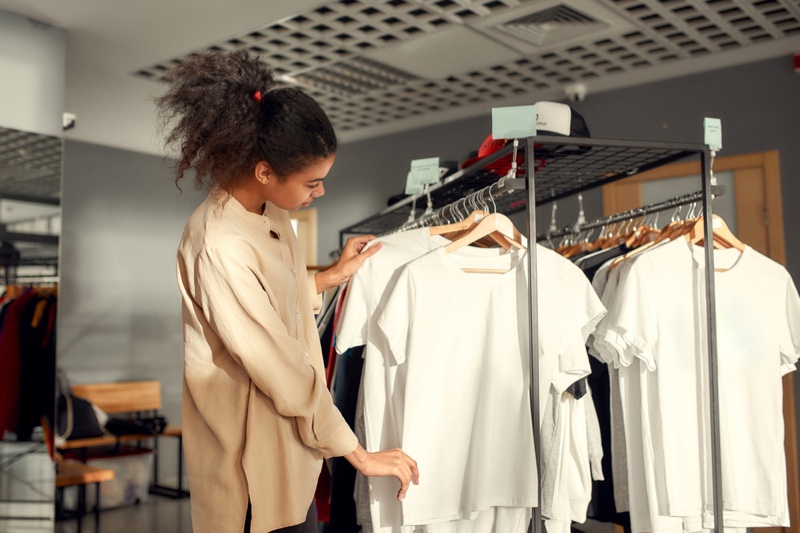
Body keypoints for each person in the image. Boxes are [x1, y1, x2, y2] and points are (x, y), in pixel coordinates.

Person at [156, 49, 419, 533]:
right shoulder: (217, 242)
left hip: (289, 449)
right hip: (250, 463)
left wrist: (328, 278)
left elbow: (270, 303)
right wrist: (359, 455)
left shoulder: (270, 212)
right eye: (312, 183)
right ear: (263, 172)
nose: (319, 194)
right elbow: (277, 364)